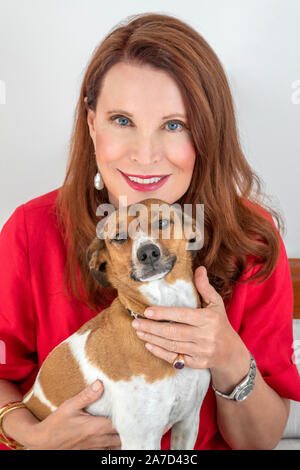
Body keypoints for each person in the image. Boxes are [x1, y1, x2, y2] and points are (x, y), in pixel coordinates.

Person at [0, 12, 300, 451]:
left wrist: (227, 354)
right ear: (91, 124)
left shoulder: (251, 236)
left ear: (206, 133)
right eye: (122, 120)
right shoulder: (31, 229)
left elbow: (259, 441)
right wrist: (31, 436)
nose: (145, 155)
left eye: (174, 124)